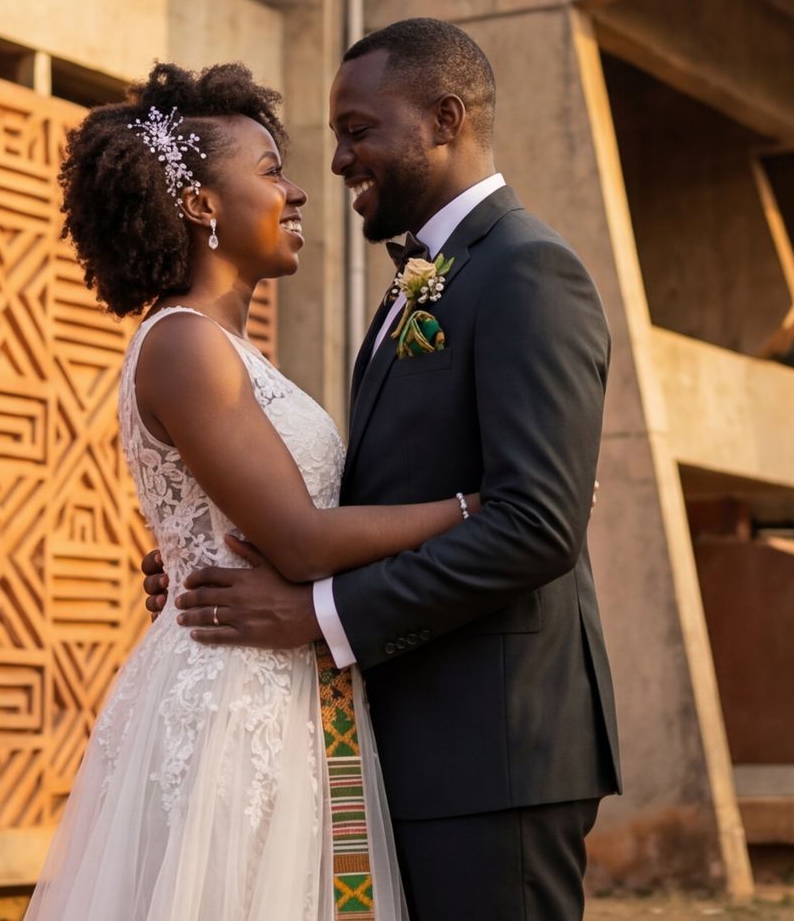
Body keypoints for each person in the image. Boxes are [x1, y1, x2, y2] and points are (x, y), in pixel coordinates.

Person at [151, 17, 620, 921]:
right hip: (407, 735)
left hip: (496, 744)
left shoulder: (528, 273)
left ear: (443, 118)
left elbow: (537, 526)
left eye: (357, 130)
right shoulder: (417, 283)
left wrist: (314, 614)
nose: (335, 164)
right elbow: (363, 499)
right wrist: (214, 557)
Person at [25, 59, 485, 921]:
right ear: (201, 203)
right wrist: (474, 508)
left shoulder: (228, 352)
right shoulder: (185, 345)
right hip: (235, 705)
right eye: (271, 171)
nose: (301, 190)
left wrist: (177, 556)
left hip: (288, 688)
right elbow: (302, 541)